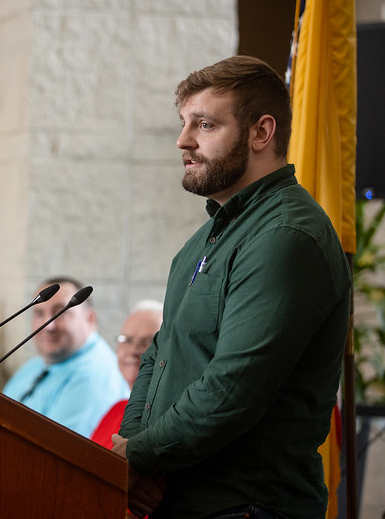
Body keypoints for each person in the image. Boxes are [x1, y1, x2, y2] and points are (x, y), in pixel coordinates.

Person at [111, 56, 351, 519]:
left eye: (204, 124)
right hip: (181, 500)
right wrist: (135, 453)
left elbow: (233, 388)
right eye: (184, 123)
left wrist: (135, 460)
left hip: (247, 507)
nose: (183, 141)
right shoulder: (205, 240)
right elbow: (160, 355)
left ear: (262, 133)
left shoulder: (286, 236)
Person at [2, 276, 129, 437]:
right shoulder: (37, 365)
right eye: (39, 313)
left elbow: (52, 449)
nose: (48, 325)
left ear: (89, 318)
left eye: (60, 313)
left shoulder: (94, 376)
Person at [91, 299, 163, 448]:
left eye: (147, 342)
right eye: (127, 340)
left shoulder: (168, 417)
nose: (133, 350)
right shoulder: (117, 410)